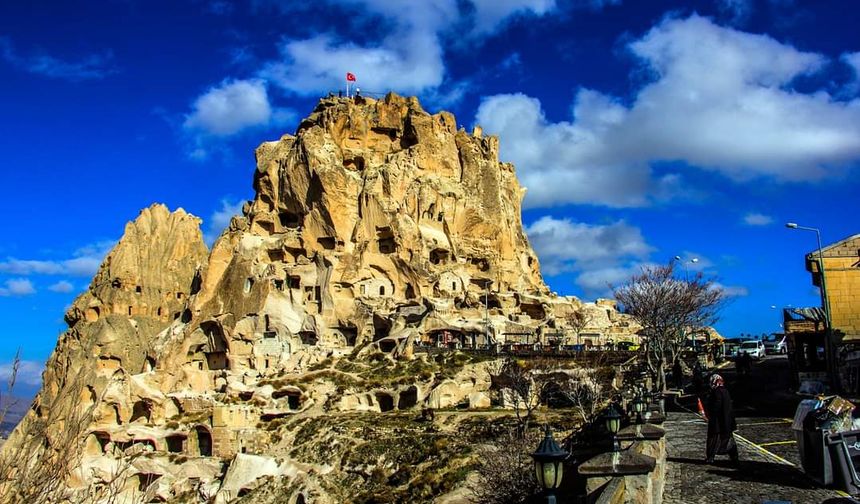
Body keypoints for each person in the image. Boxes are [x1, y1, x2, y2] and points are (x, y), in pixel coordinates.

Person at [704, 374, 739, 465]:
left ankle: (710, 457)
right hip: (727, 421)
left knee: (713, 440)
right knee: (729, 439)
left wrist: (709, 414)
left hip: (717, 422)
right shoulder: (725, 391)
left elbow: (716, 406)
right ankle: (734, 457)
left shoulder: (716, 392)